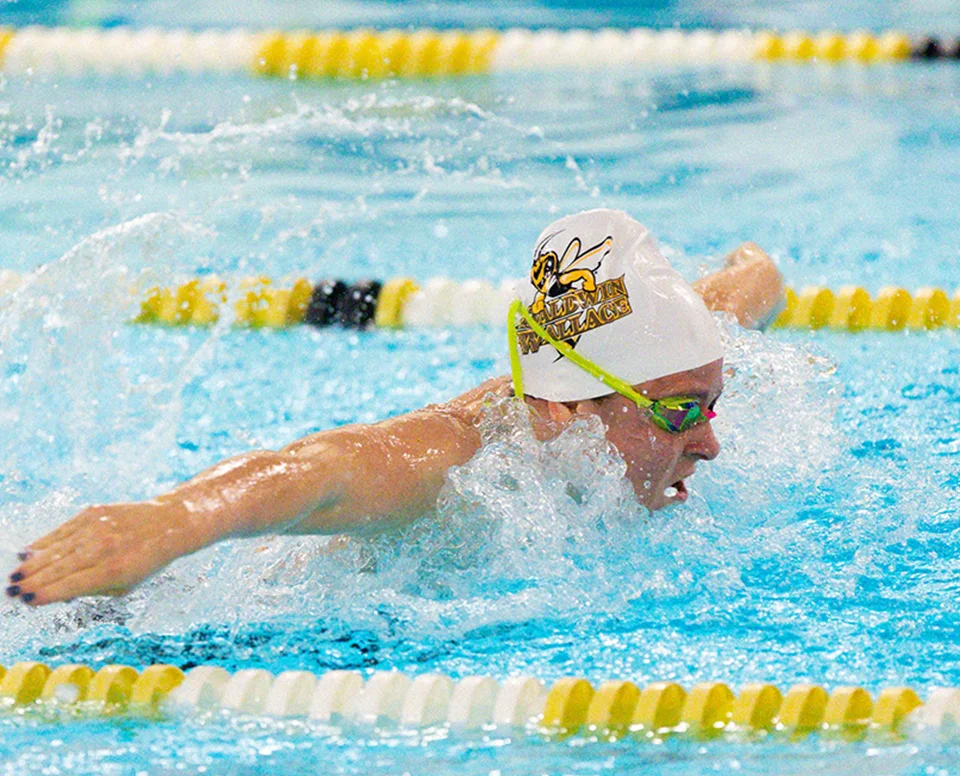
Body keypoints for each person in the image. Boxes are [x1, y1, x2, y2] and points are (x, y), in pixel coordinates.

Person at [7, 209, 783, 607]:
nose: (710, 443)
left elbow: (750, 291)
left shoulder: (670, 356)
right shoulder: (464, 463)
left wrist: (755, 267)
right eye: (682, 415)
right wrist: (168, 522)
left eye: (713, 404)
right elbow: (324, 469)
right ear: (565, 411)